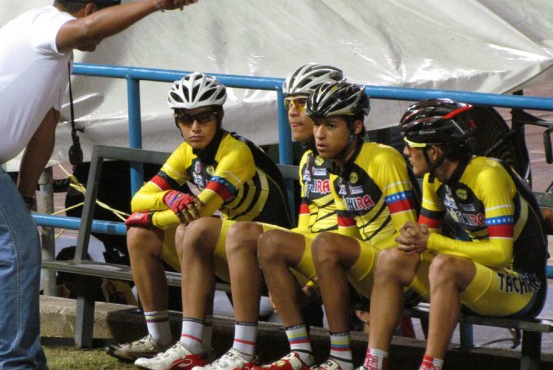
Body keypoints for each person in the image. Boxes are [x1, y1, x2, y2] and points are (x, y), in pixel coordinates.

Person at [0, 0, 197, 370]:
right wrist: (156, 3)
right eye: (100, 22)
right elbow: (86, 31)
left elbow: (43, 133)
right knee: (13, 252)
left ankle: (21, 358)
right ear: (89, 10)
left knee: (12, 250)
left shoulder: (55, 60)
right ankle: (13, 363)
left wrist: (25, 195)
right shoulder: (46, 26)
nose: (101, 37)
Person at [106, 72, 292, 369]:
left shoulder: (236, 151)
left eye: (203, 118)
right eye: (185, 119)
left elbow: (202, 210)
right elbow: (139, 198)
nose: (194, 128)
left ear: (218, 116)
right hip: (235, 249)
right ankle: (161, 339)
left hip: (269, 256)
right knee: (140, 234)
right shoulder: (187, 152)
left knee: (194, 229)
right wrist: (167, 198)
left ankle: (203, 346)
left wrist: (151, 214)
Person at [356, 99, 548, 370]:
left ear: (434, 152)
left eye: (412, 146)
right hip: (476, 279)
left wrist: (430, 241)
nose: (406, 151)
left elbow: (501, 254)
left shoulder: (488, 175)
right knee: (391, 259)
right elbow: (424, 240)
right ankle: (374, 363)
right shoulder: (435, 180)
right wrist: (413, 237)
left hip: (522, 284)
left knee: (444, 265)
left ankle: (430, 367)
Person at [177, 63, 344, 370]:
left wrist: (311, 283)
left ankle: (245, 350)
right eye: (288, 103)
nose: (292, 112)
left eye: (301, 103)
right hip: (308, 251)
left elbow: (363, 229)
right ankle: (192, 343)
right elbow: (307, 220)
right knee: (185, 231)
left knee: (233, 232)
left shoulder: (363, 159)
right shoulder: (309, 157)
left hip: (340, 256)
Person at [266, 81, 419, 370]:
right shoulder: (336, 167)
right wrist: (313, 285)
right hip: (369, 267)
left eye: (331, 126)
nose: (320, 134)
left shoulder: (383, 158)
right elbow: (349, 239)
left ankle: (341, 357)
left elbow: (407, 239)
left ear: (357, 127)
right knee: (272, 242)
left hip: (400, 269)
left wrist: (375, 293)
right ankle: (302, 352)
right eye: (318, 125)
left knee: (326, 242)